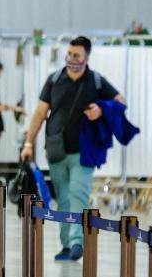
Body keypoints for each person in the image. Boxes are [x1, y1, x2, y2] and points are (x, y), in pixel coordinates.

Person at [20, 36, 124, 261]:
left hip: (83, 151)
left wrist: (101, 108)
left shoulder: (96, 81)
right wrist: (29, 142)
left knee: (78, 193)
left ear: (86, 58)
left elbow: (121, 102)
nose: (71, 59)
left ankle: (77, 243)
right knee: (64, 198)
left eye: (76, 55)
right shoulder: (54, 79)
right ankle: (66, 244)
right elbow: (40, 113)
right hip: (56, 149)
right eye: (69, 54)